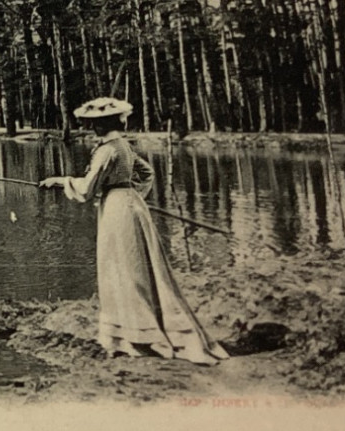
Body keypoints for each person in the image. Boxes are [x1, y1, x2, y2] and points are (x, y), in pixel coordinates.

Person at [39, 97, 228, 366]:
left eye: (94, 123)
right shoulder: (122, 145)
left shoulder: (107, 150)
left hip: (118, 212)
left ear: (103, 124)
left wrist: (60, 181)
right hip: (130, 206)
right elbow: (147, 172)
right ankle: (137, 332)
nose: (91, 127)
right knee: (139, 266)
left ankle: (138, 336)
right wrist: (132, 195)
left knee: (122, 267)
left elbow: (87, 188)